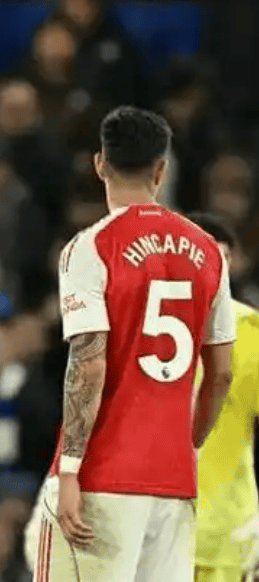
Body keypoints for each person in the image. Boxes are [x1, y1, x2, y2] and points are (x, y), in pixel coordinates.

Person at [25, 105, 235, 582]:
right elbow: (221, 374)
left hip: (103, 475)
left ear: (100, 164)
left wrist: (71, 470)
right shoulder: (207, 251)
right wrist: (187, 447)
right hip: (173, 482)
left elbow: (88, 363)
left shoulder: (90, 247)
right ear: (161, 170)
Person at [187, 213, 259, 582]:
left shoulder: (251, 332)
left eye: (224, 260)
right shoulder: (140, 330)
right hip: (155, 523)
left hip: (226, 535)